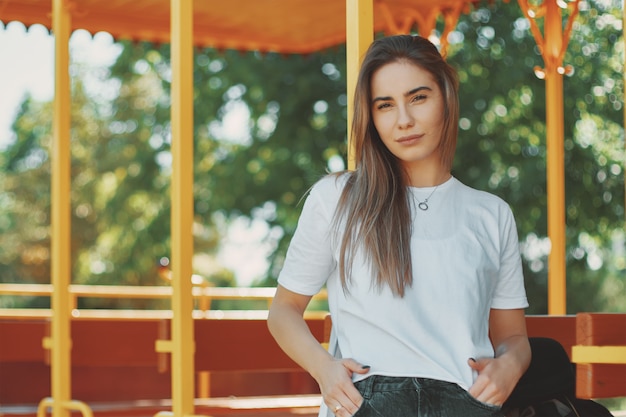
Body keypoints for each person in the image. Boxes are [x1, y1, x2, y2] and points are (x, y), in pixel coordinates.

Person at [267, 34, 531, 417]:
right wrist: (325, 370)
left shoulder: (491, 214)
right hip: (366, 403)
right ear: (371, 116)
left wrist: (510, 365)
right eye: (385, 105)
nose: (404, 120)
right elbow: (283, 311)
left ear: (446, 97)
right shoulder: (336, 198)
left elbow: (512, 336)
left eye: (418, 97)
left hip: (466, 403)